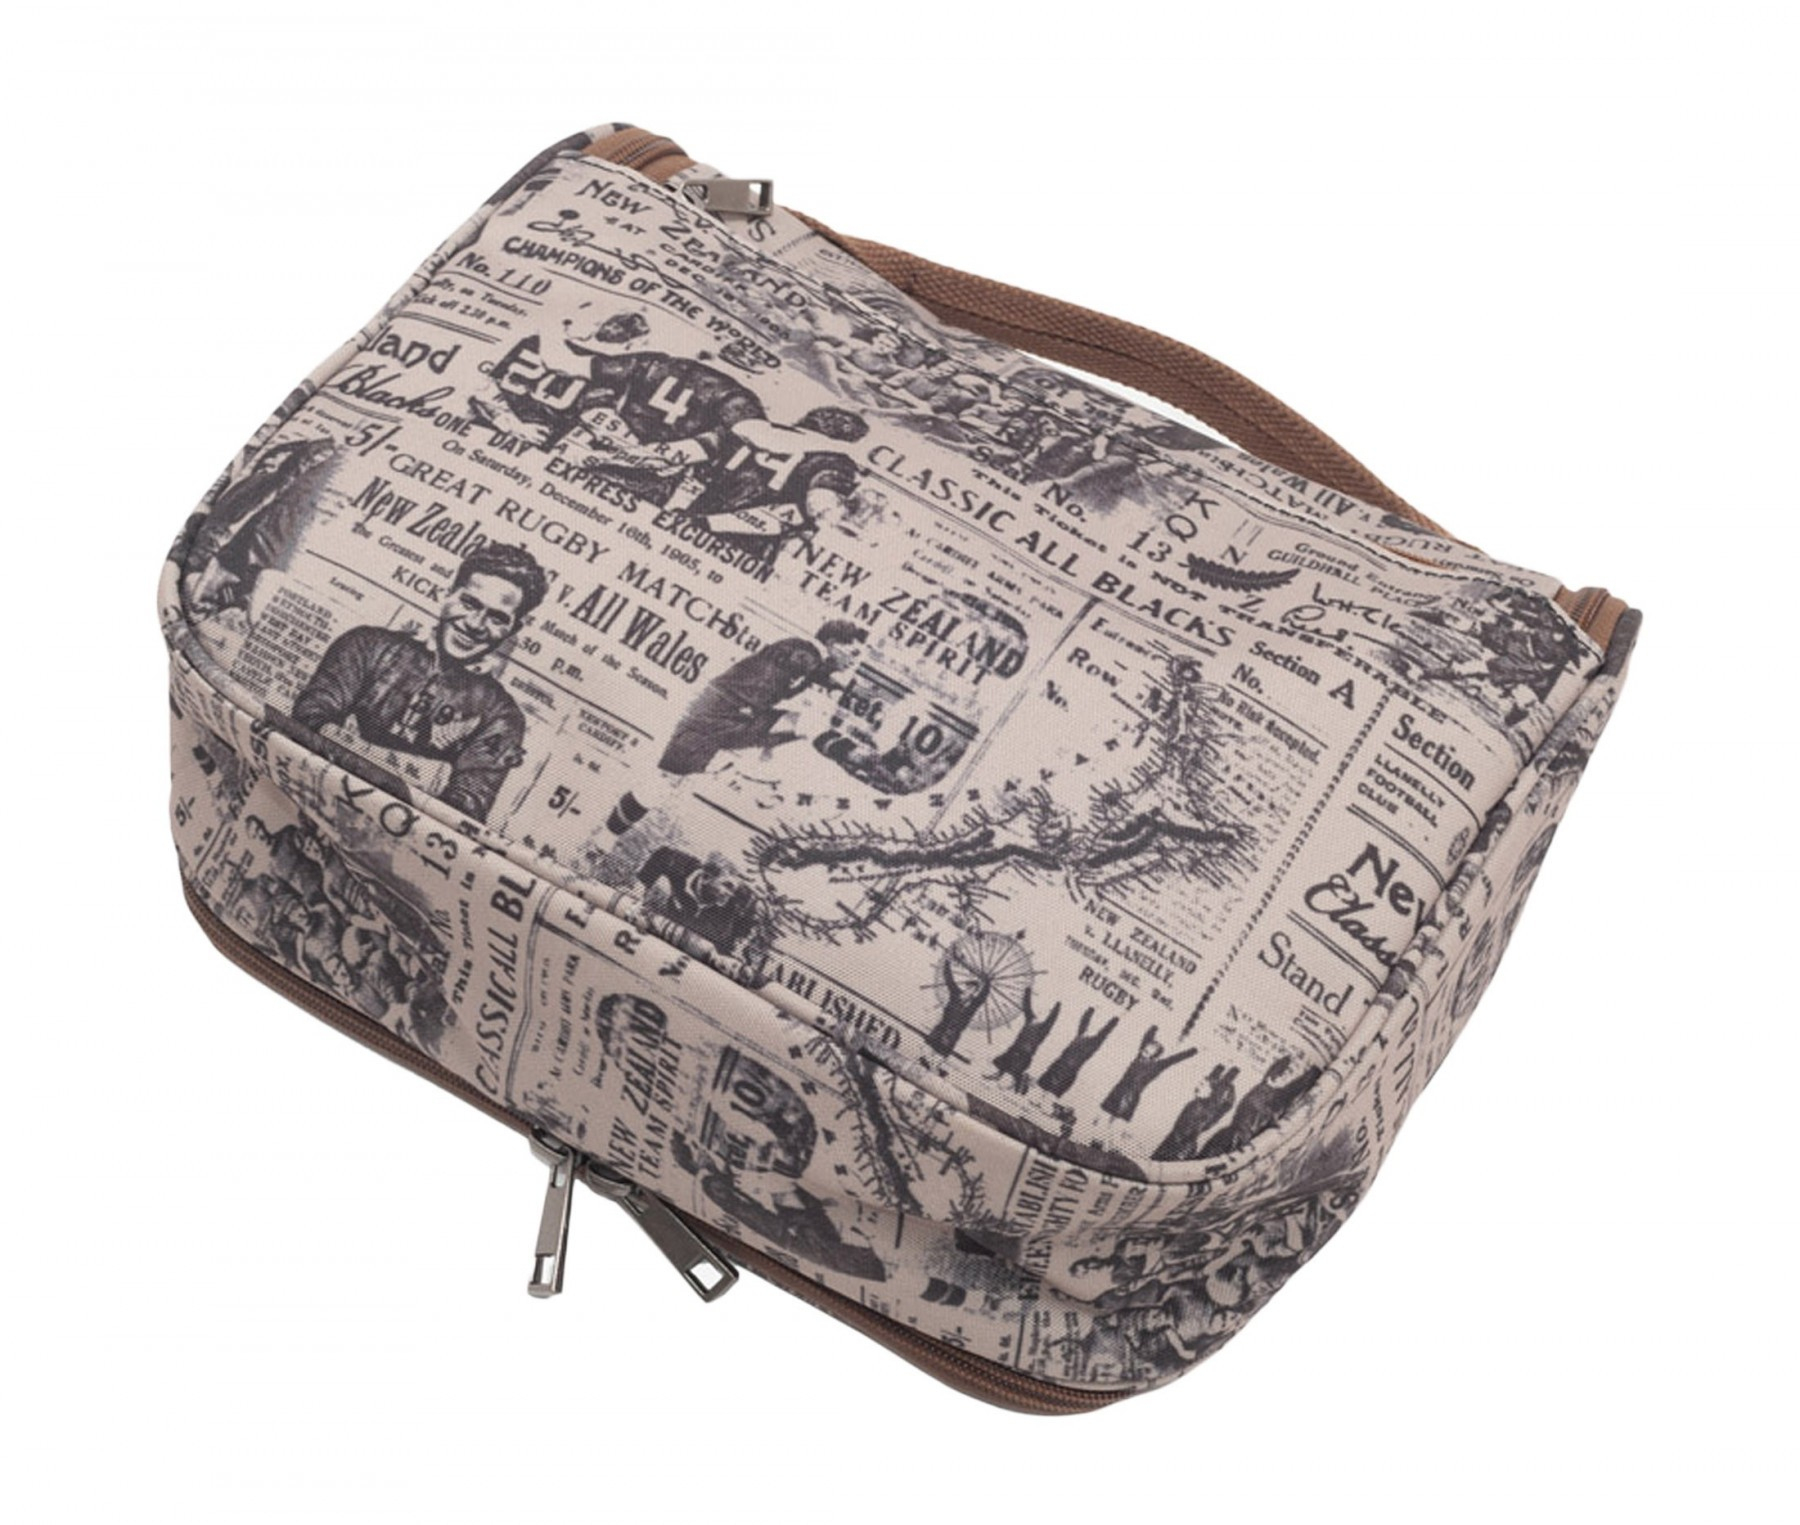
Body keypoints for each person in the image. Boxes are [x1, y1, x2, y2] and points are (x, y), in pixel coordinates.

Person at [289, 542, 548, 823]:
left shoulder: (503, 717)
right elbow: (307, 721)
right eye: (469, 603)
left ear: (512, 629)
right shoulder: (366, 645)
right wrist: (434, 775)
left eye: (497, 618)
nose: (475, 624)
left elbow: (463, 810)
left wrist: (349, 743)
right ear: (448, 595)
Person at [657, 620, 867, 777]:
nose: (853, 661)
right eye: (853, 652)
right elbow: (809, 666)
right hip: (719, 715)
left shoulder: (805, 654)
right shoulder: (803, 650)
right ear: (832, 643)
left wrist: (838, 684)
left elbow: (813, 673)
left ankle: (853, 758)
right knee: (669, 778)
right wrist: (843, 683)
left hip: (737, 715)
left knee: (806, 723)